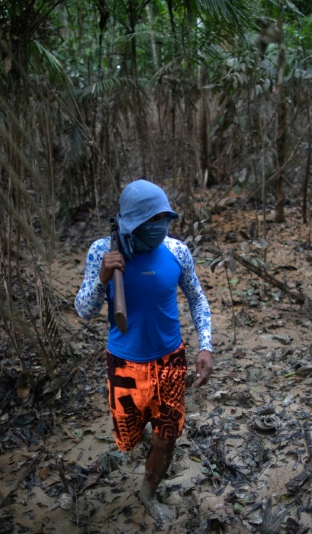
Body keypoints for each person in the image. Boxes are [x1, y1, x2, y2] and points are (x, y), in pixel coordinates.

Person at [74, 179, 213, 522]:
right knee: (130, 440)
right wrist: (103, 277)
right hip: (124, 367)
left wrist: (205, 344)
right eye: (150, 221)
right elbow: (83, 310)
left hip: (171, 361)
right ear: (130, 222)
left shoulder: (177, 250)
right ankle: (147, 432)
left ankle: (148, 492)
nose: (159, 227)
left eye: (164, 218)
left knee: (167, 439)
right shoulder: (101, 253)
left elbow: (196, 297)